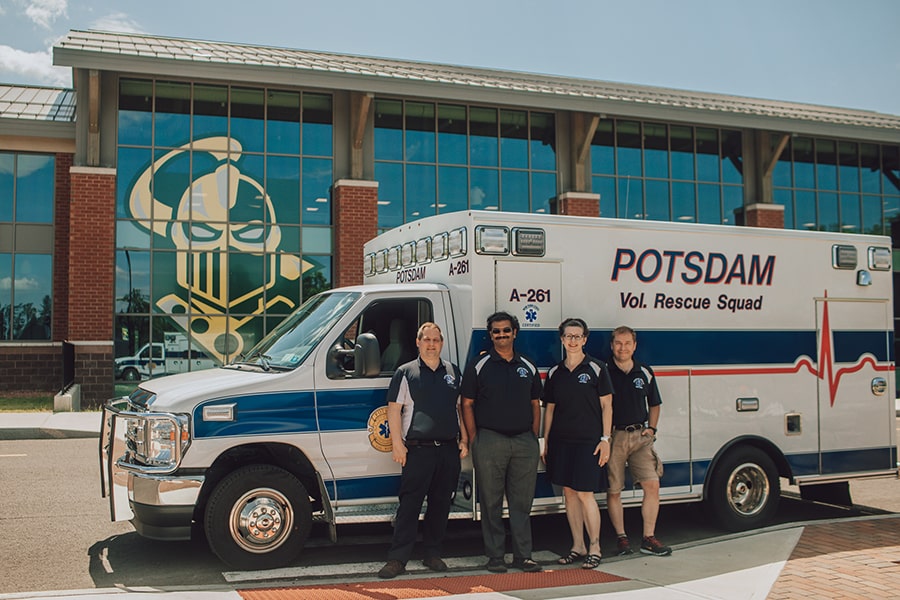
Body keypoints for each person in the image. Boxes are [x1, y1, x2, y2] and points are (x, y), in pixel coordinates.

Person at [377, 322, 469, 579]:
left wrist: (464, 440)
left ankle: (432, 553)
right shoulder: (406, 372)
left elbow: (460, 408)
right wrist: (398, 444)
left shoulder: (453, 371)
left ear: (441, 343)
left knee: (441, 504)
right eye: (426, 339)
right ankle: (397, 559)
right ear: (418, 342)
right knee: (410, 505)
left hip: (448, 450)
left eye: (436, 340)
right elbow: (394, 410)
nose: (431, 344)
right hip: (418, 450)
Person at [461, 311, 543, 573]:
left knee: (522, 503)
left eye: (506, 330)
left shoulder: (527, 365)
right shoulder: (478, 365)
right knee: (491, 502)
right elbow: (467, 403)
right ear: (490, 335)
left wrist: (532, 435)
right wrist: (475, 438)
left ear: (515, 333)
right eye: (496, 331)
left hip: (524, 443)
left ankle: (523, 557)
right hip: (490, 440)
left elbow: (535, 403)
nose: (501, 335)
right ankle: (495, 557)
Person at [541, 318, 614, 570]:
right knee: (569, 494)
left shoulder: (596, 368)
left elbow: (607, 405)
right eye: (568, 336)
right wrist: (546, 441)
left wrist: (606, 440)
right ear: (562, 339)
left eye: (577, 336)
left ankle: (595, 547)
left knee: (585, 494)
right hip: (561, 442)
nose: (572, 340)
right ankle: (578, 546)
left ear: (585, 339)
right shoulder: (554, 373)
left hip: (589, 443)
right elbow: (549, 410)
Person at [606, 325, 672, 557]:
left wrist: (652, 429)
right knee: (614, 490)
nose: (622, 348)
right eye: (618, 343)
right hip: (615, 437)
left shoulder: (644, 371)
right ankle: (622, 538)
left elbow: (655, 403)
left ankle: (648, 537)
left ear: (634, 346)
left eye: (627, 343)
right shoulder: (604, 371)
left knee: (652, 484)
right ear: (612, 345)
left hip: (640, 436)